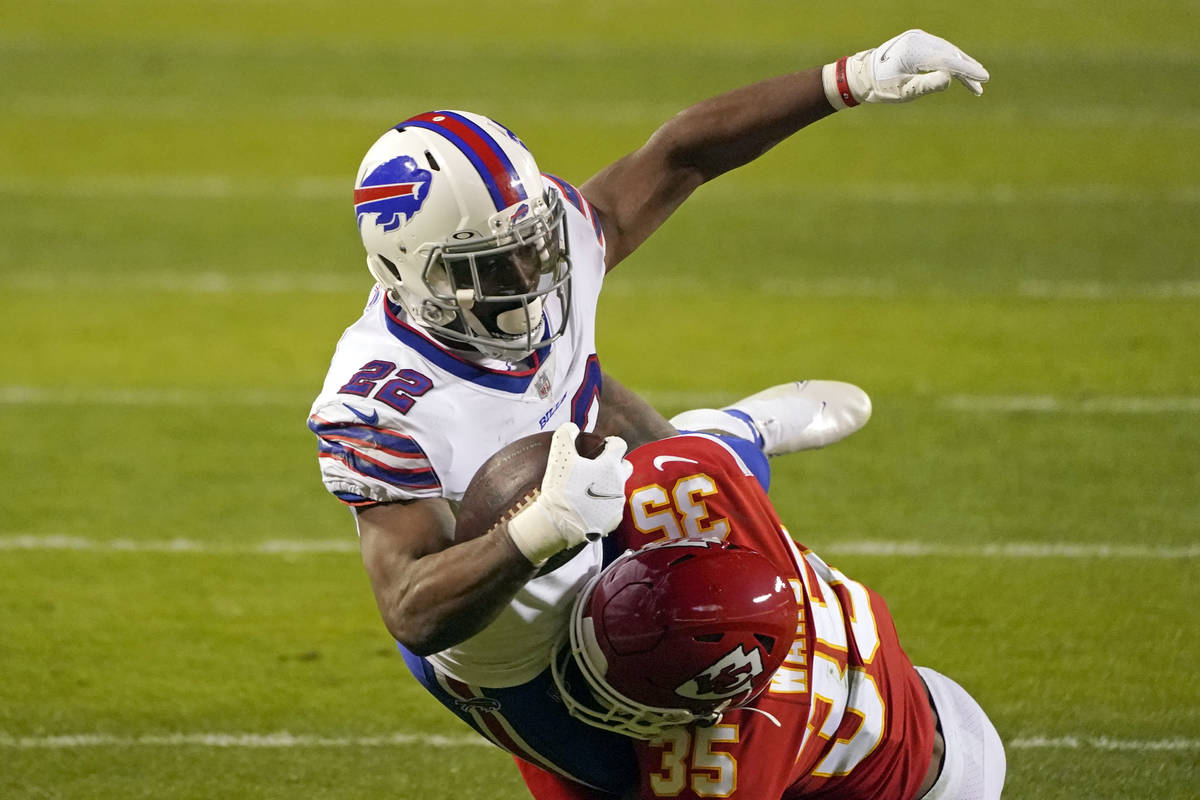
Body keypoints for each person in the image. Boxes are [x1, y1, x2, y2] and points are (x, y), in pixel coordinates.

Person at [307, 27, 989, 795]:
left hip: (581, 495)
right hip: (508, 647)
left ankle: (721, 443)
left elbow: (681, 154)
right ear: (407, 274)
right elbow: (411, 609)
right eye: (493, 265)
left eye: (531, 241)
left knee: (723, 581)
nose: (533, 272)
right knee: (653, 762)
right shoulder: (379, 400)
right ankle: (731, 440)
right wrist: (534, 530)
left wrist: (849, 78)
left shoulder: (545, 244)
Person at [520, 430, 1006, 799]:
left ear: (702, 709)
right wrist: (736, 431)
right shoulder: (681, 481)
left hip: (913, 784)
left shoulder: (725, 760)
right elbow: (708, 453)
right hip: (905, 695)